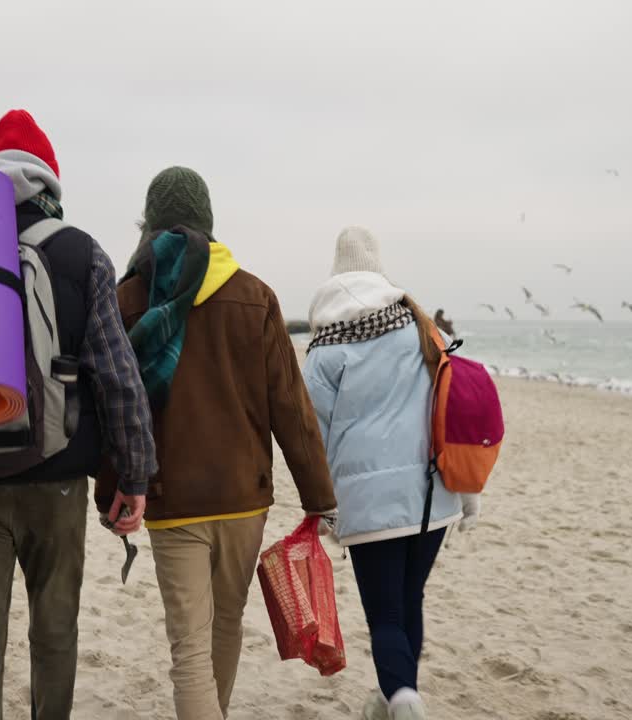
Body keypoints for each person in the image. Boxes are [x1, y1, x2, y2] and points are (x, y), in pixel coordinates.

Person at [0, 110, 157, 720]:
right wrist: (136, 474)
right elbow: (118, 375)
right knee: (55, 634)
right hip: (57, 478)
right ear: (50, 183)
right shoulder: (81, 253)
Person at [95, 167, 338, 720]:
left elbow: (114, 406)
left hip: (169, 496)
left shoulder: (129, 297)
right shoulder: (256, 296)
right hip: (243, 496)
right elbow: (291, 410)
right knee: (225, 624)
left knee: (189, 646)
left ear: (150, 226)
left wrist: (110, 489)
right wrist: (318, 495)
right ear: (209, 223)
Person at [301, 227, 480, 720]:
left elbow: (309, 432)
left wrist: (320, 505)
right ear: (379, 268)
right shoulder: (424, 328)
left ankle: (402, 700)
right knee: (409, 599)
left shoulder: (326, 345)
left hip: (367, 504)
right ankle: (394, 698)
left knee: (385, 615)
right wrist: (468, 494)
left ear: (336, 269)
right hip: (432, 497)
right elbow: (454, 410)